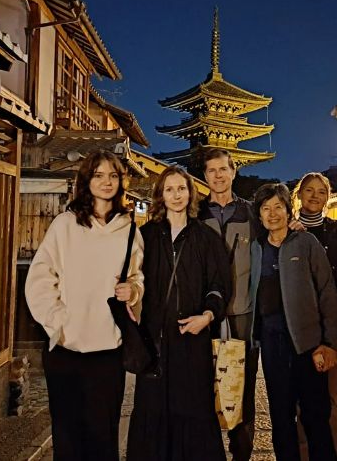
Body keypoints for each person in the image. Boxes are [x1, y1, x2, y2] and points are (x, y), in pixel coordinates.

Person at [25, 150, 144, 461]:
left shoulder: (130, 230)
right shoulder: (65, 225)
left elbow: (138, 278)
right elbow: (40, 277)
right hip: (66, 346)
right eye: (99, 175)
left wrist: (132, 290)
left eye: (113, 176)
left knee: (103, 435)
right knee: (67, 434)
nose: (107, 182)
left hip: (108, 348)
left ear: (121, 182)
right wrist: (57, 320)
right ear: (86, 181)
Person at [127, 165, 231, 461]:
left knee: (194, 406)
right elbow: (133, 281)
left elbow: (219, 284)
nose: (176, 195)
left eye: (181, 188)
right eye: (169, 189)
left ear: (190, 193)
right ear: (160, 194)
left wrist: (208, 316)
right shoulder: (144, 237)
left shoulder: (206, 238)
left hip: (192, 337)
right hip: (154, 339)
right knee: (152, 406)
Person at [250, 183, 337, 461]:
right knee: (281, 414)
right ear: (260, 214)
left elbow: (326, 291)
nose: (272, 213)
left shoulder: (306, 243)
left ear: (289, 210)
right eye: (266, 208)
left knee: (315, 413)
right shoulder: (256, 248)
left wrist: (329, 341)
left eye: (278, 206)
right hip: (272, 341)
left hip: (307, 341)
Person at [293, 172, 337, 460]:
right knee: (302, 397)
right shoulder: (286, 231)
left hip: (336, 319)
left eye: (321, 191)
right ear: (299, 194)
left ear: (328, 197)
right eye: (309, 190)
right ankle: (305, 453)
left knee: (336, 396)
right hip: (300, 323)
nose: (315, 196)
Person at [198, 148, 259, 461]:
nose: (218, 176)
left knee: (242, 389)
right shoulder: (196, 214)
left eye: (223, 169)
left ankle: (241, 453)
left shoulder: (250, 213)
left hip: (241, 313)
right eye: (211, 170)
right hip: (203, 315)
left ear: (234, 172)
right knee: (202, 386)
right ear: (205, 175)